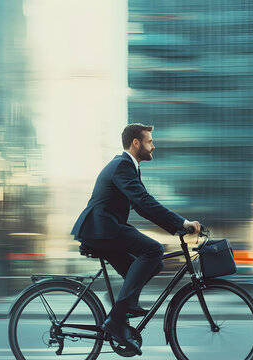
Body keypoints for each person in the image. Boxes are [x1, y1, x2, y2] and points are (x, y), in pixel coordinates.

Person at [71, 123, 200, 355]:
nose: (154, 146)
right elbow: (144, 201)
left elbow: (143, 208)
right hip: (102, 229)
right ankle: (118, 317)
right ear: (136, 143)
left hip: (105, 230)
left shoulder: (128, 167)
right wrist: (182, 223)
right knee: (153, 250)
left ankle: (120, 316)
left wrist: (177, 227)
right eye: (150, 141)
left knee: (153, 262)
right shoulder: (122, 166)